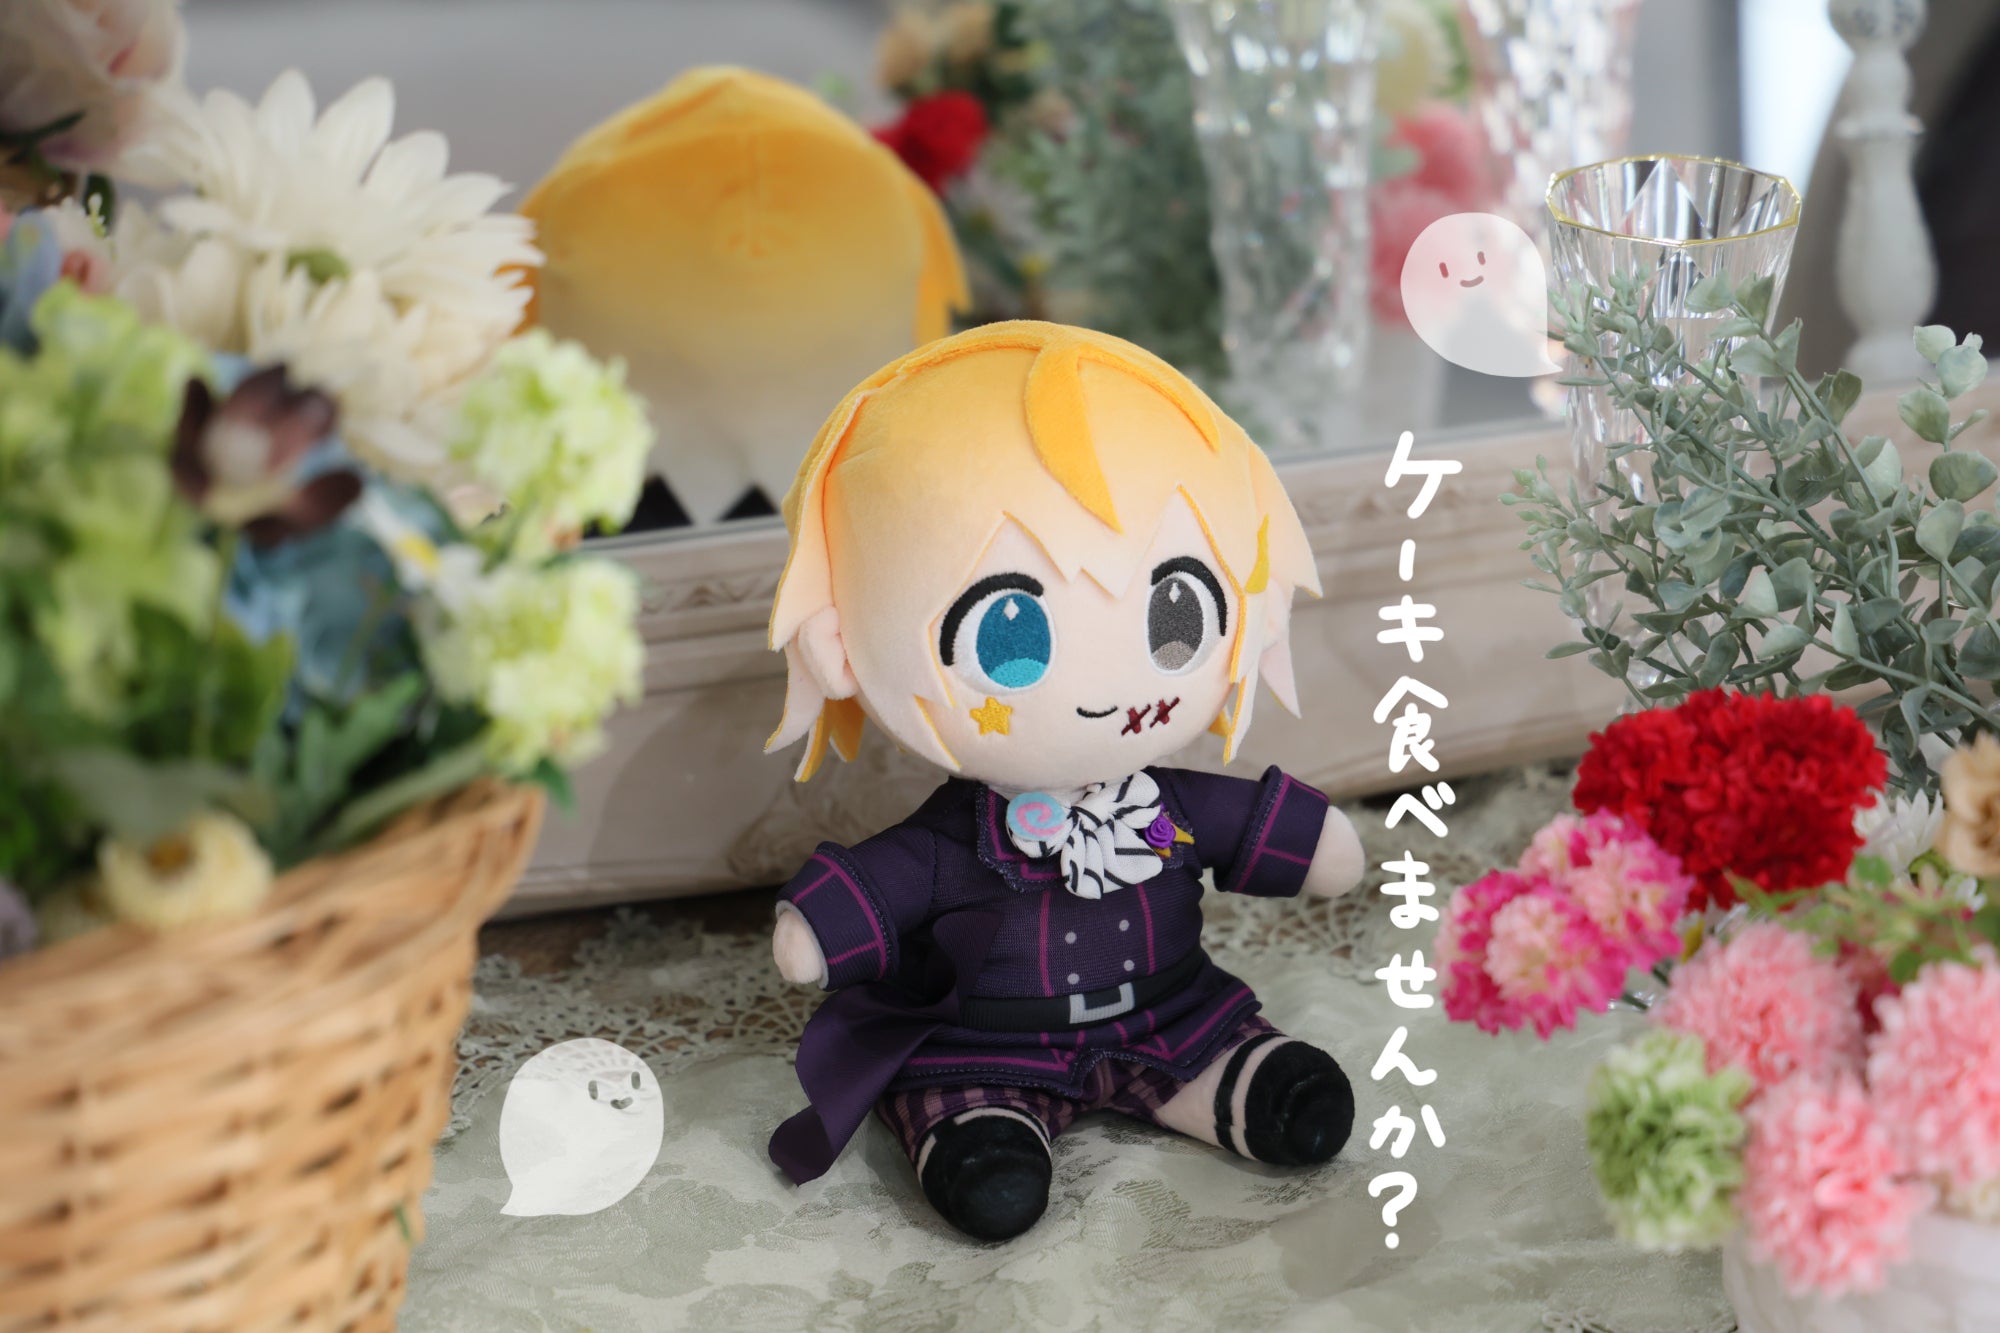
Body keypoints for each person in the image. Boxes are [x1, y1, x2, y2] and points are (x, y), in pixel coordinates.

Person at [761, 320, 1365, 1241]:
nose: (1109, 687)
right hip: (989, 1044)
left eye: (1175, 615)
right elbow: (888, 880)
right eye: (1011, 636)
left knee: (1277, 1089)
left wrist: (1315, 843)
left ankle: (1244, 1088)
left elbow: (1247, 825)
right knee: (986, 1156)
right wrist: (820, 929)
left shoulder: (1166, 806)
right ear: (844, 641)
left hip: (1176, 1016)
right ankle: (985, 1134)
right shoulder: (956, 839)